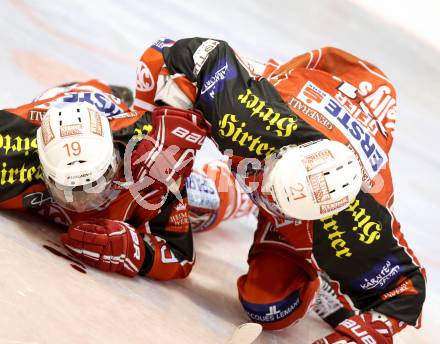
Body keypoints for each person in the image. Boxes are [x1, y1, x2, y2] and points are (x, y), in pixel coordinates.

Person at [131, 37, 426, 343]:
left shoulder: (359, 221)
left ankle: (316, 267)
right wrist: (147, 135)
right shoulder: (256, 111)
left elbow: (404, 294)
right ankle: (224, 191)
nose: (270, 199)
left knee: (269, 307)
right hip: (276, 132)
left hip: (308, 222)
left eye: (283, 204)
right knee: (173, 192)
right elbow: (166, 54)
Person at [0, 79, 212, 280]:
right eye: (67, 190)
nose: (81, 203)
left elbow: (181, 256)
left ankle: (221, 182)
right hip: (73, 100)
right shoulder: (10, 155)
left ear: (113, 159)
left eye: (94, 184)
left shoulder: (151, 161)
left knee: (208, 200)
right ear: (45, 171)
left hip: (111, 108)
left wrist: (135, 251)